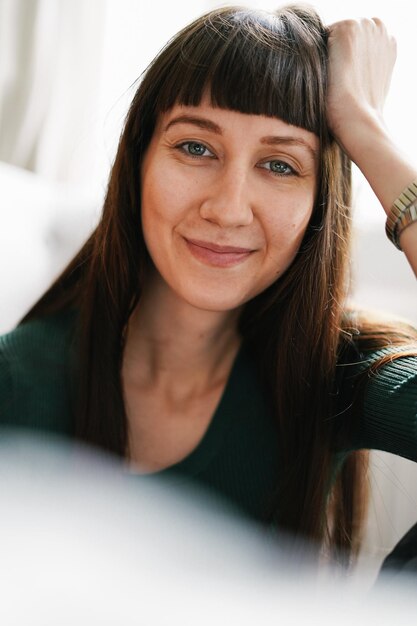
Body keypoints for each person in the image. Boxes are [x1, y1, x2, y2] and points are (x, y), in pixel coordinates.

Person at [0, 5, 416, 568]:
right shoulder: (20, 376)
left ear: (321, 202)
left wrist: (366, 130)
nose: (227, 208)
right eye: (196, 148)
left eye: (280, 165)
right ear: (139, 160)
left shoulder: (338, 371)